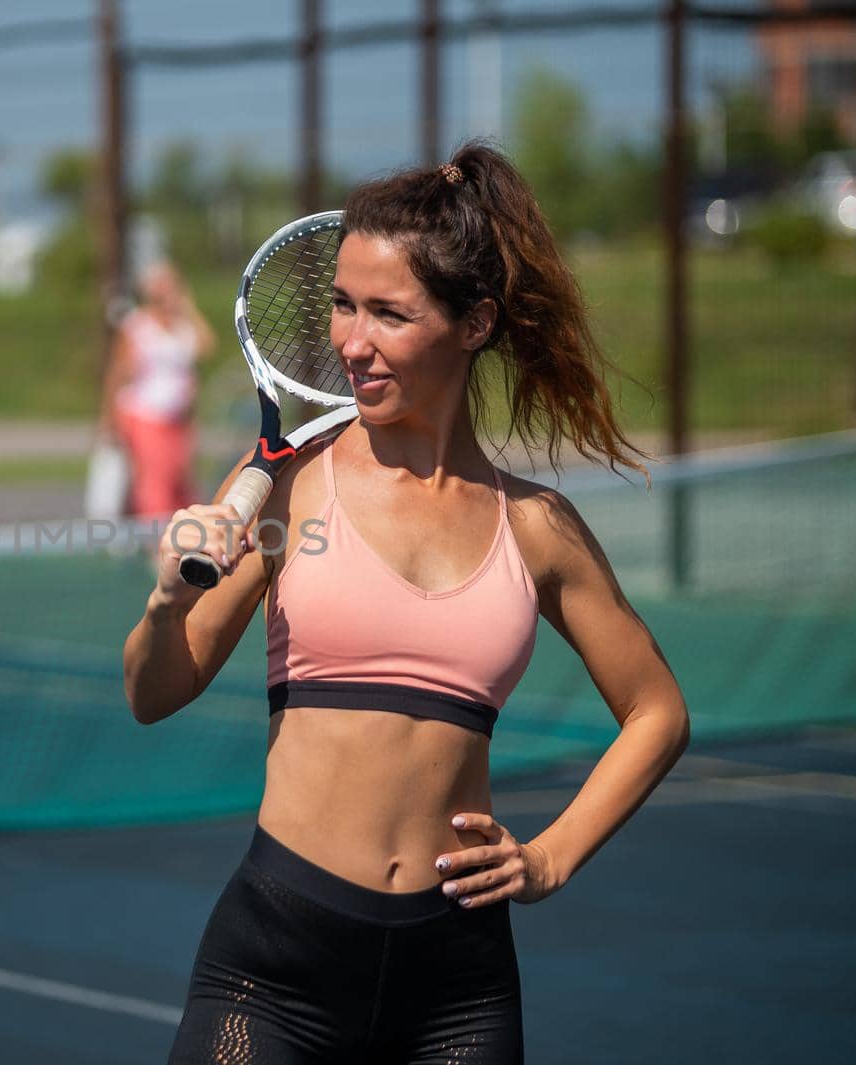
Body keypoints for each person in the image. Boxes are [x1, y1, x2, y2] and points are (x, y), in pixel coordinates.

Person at [124, 144, 689, 1064]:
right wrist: (160, 604)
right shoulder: (287, 487)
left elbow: (657, 710)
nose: (351, 339)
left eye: (389, 312)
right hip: (274, 969)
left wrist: (549, 857)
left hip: (458, 988)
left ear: (474, 324)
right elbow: (154, 691)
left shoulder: (538, 526)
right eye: (343, 304)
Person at [99, 260, 215, 519]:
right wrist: (108, 419)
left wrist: (187, 307)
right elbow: (118, 372)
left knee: (182, 484)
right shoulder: (138, 325)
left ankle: (177, 537)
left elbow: (207, 346)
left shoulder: (182, 326)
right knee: (155, 485)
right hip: (146, 414)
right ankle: (156, 545)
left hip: (179, 419)